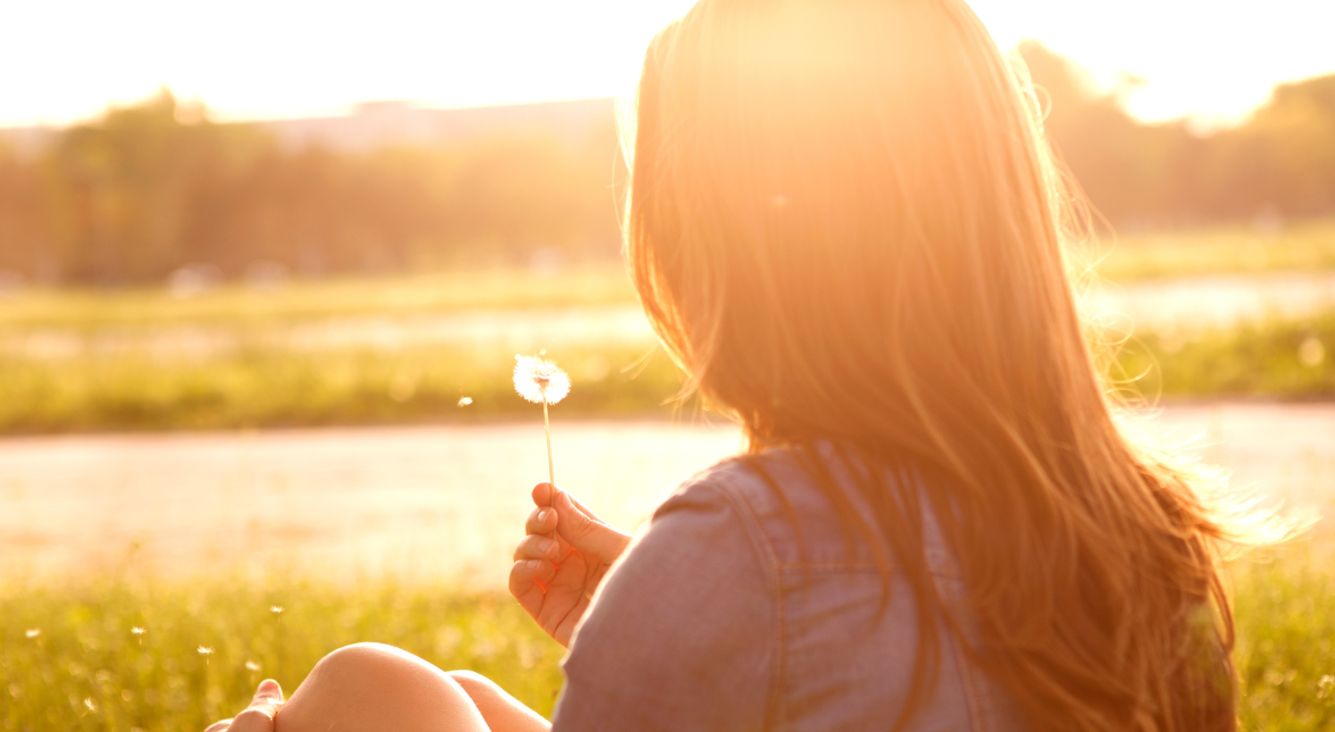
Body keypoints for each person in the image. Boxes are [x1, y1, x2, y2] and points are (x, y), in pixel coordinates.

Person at [206, 0, 1243, 729]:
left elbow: (794, 610)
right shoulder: (1147, 537)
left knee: (366, 692)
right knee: (467, 696)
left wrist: (693, 603)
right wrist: (652, 619)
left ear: (726, 251)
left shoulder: (743, 544)